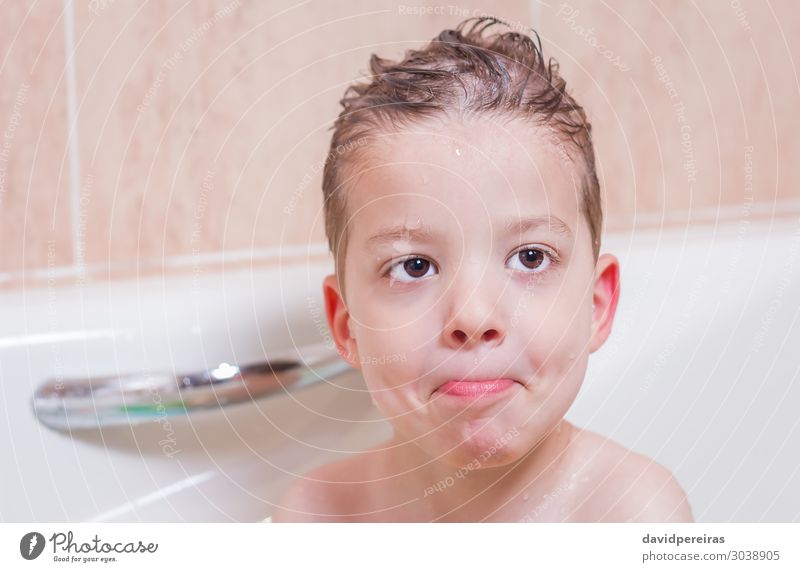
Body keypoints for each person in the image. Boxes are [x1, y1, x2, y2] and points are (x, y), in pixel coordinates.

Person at [272, 16, 693, 522]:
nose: (472, 316)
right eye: (414, 266)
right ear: (348, 326)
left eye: (530, 257)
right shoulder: (319, 517)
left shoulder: (632, 513)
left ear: (597, 306)